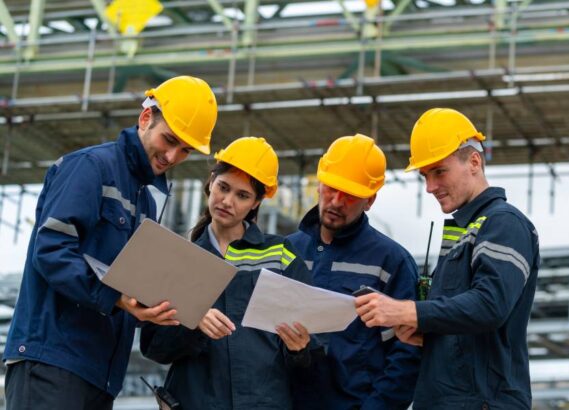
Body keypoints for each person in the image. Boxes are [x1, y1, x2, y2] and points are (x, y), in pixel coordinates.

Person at [2, 76, 218, 409]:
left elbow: (130, 282)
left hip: (99, 375)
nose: (173, 156)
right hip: (53, 362)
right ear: (146, 119)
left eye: (185, 150)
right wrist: (116, 296)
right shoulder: (89, 168)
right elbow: (51, 253)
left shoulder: (144, 200)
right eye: (170, 140)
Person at [354, 108, 540, 409]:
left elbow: (490, 305)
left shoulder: (504, 223)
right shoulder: (464, 233)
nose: (430, 187)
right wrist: (428, 336)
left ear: (474, 162)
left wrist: (408, 312)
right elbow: (468, 325)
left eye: (439, 171)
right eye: (426, 176)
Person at [140, 137, 314, 409]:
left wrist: (300, 349)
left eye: (242, 195)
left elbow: (314, 346)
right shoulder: (180, 259)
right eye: (223, 188)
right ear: (211, 181)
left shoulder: (280, 255)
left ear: (256, 203)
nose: (227, 201)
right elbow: (155, 348)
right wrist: (192, 318)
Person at [288, 134, 420, 410]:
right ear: (320, 183)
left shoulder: (390, 262)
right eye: (331, 188)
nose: (336, 201)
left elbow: (406, 354)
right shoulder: (287, 250)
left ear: (370, 200)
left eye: (350, 195)